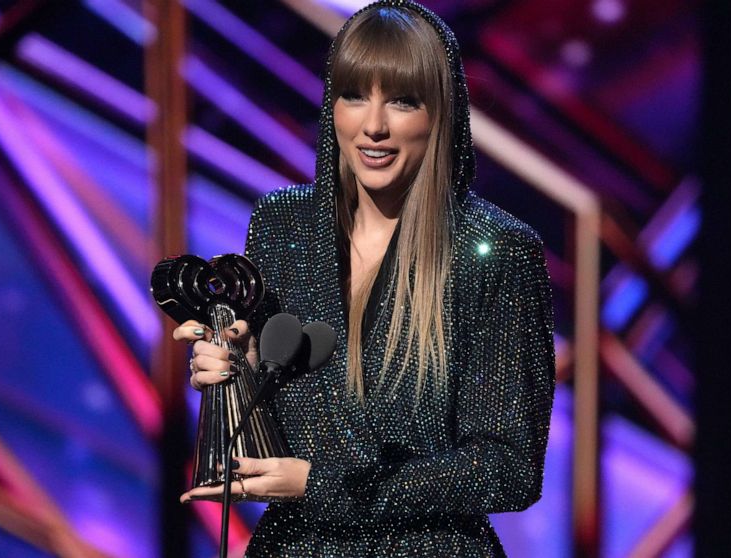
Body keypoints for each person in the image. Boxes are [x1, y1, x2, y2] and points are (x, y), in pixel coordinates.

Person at [173, 1, 555, 555]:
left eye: (401, 101)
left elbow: (507, 467)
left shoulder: (496, 253)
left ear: (441, 114)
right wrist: (236, 369)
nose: (373, 125)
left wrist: (327, 489)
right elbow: (281, 417)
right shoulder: (283, 224)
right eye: (354, 96)